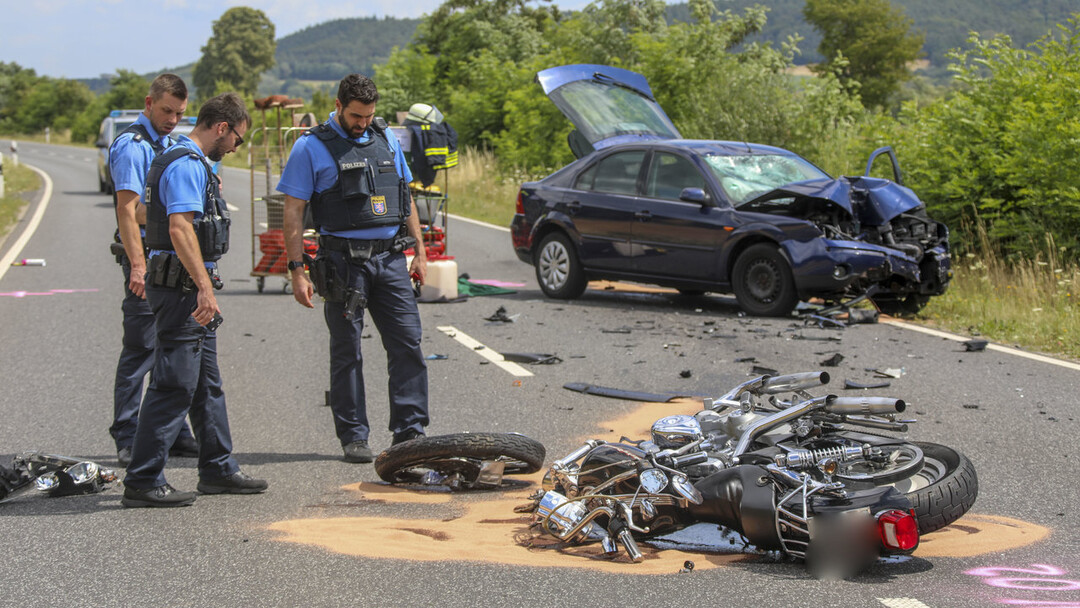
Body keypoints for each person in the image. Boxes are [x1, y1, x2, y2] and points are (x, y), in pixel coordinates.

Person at [122, 92, 267, 508]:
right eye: (237, 139)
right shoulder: (186, 164)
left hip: (183, 287)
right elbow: (181, 228)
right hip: (182, 291)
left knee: (206, 384)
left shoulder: (184, 157)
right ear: (222, 128)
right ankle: (144, 478)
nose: (236, 147)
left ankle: (218, 467)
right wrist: (204, 286)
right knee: (174, 384)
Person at [277, 73, 430, 463]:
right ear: (339, 105)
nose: (362, 123)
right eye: (356, 115)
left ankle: (409, 431)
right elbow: (293, 211)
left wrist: (421, 251)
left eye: (369, 115)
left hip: (391, 257)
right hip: (343, 262)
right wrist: (297, 268)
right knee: (347, 349)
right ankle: (354, 436)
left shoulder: (385, 137)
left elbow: (405, 195)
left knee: (407, 342)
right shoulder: (310, 147)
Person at [108, 73, 198, 466]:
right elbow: (127, 211)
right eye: (166, 111)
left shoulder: (173, 143)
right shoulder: (133, 146)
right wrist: (138, 267)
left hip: (172, 258)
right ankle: (127, 435)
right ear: (148, 103)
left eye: (179, 112)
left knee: (172, 345)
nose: (172, 118)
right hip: (146, 258)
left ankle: (173, 431)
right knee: (141, 348)